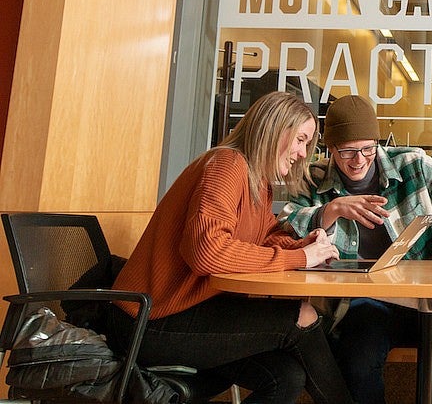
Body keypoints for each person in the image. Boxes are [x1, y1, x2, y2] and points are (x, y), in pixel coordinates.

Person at [106, 91, 353, 404]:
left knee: (286, 377)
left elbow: (265, 235)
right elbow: (207, 252)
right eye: (301, 140)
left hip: (188, 312)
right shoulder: (227, 165)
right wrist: (301, 256)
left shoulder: (256, 180)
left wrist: (305, 244)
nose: (303, 154)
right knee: (302, 317)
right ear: (276, 130)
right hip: (148, 322)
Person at [279, 94, 432, 404]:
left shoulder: (411, 164)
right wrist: (332, 209)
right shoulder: (314, 180)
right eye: (348, 151)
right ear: (330, 148)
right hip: (362, 302)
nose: (360, 160)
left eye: (368, 148)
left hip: (429, 296)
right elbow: (285, 225)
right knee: (358, 359)